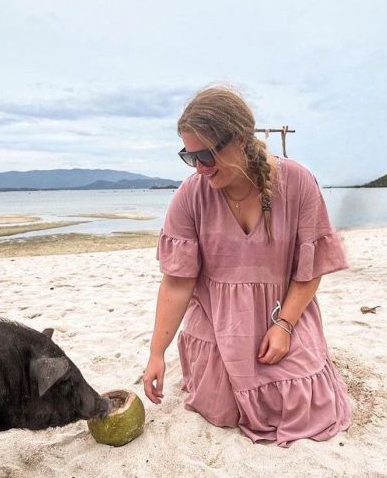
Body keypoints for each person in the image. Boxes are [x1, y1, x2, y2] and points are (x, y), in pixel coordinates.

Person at [142, 86, 352, 446]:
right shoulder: (190, 196)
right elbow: (177, 284)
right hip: (216, 318)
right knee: (222, 406)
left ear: (240, 139)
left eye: (207, 155)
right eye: (190, 158)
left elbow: (310, 270)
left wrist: (284, 326)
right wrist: (156, 353)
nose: (201, 169)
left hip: (285, 310)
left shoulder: (298, 182)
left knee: (305, 405)